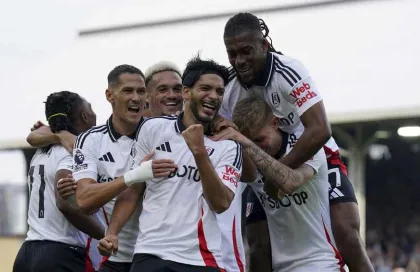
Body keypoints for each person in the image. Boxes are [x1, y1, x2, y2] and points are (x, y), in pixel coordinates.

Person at [220, 12, 373, 271]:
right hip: (260, 165)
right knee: (257, 246)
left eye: (246, 51)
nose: (239, 61)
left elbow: (320, 129)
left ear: (264, 46)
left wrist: (279, 174)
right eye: (232, 54)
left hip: (313, 157)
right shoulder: (229, 87)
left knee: (346, 235)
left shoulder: (289, 71)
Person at [98, 55, 243, 272]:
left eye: (219, 91)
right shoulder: (153, 129)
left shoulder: (229, 145)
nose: (213, 96)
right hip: (151, 253)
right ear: (186, 92)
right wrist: (112, 232)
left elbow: (221, 203)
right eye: (205, 88)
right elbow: (133, 190)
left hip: (201, 260)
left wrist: (199, 153)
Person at [212, 96, 345, 272]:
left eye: (259, 140)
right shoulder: (252, 161)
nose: (257, 148)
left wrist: (245, 142)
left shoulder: (305, 148)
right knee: (257, 244)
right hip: (280, 268)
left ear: (275, 123)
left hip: (322, 263)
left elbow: (290, 182)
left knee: (350, 236)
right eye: (250, 141)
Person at [71, 64, 177, 272]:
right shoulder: (90, 140)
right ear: (110, 95)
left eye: (140, 92)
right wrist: (135, 175)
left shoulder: (163, 133)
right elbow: (84, 200)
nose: (136, 98)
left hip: (161, 256)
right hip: (118, 255)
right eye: (127, 91)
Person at [13, 91, 105, 272]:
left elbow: (34, 136)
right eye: (91, 109)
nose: (95, 114)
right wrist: (106, 234)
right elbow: (64, 203)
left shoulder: (42, 149)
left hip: (27, 253)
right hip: (59, 253)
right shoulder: (72, 152)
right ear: (85, 116)